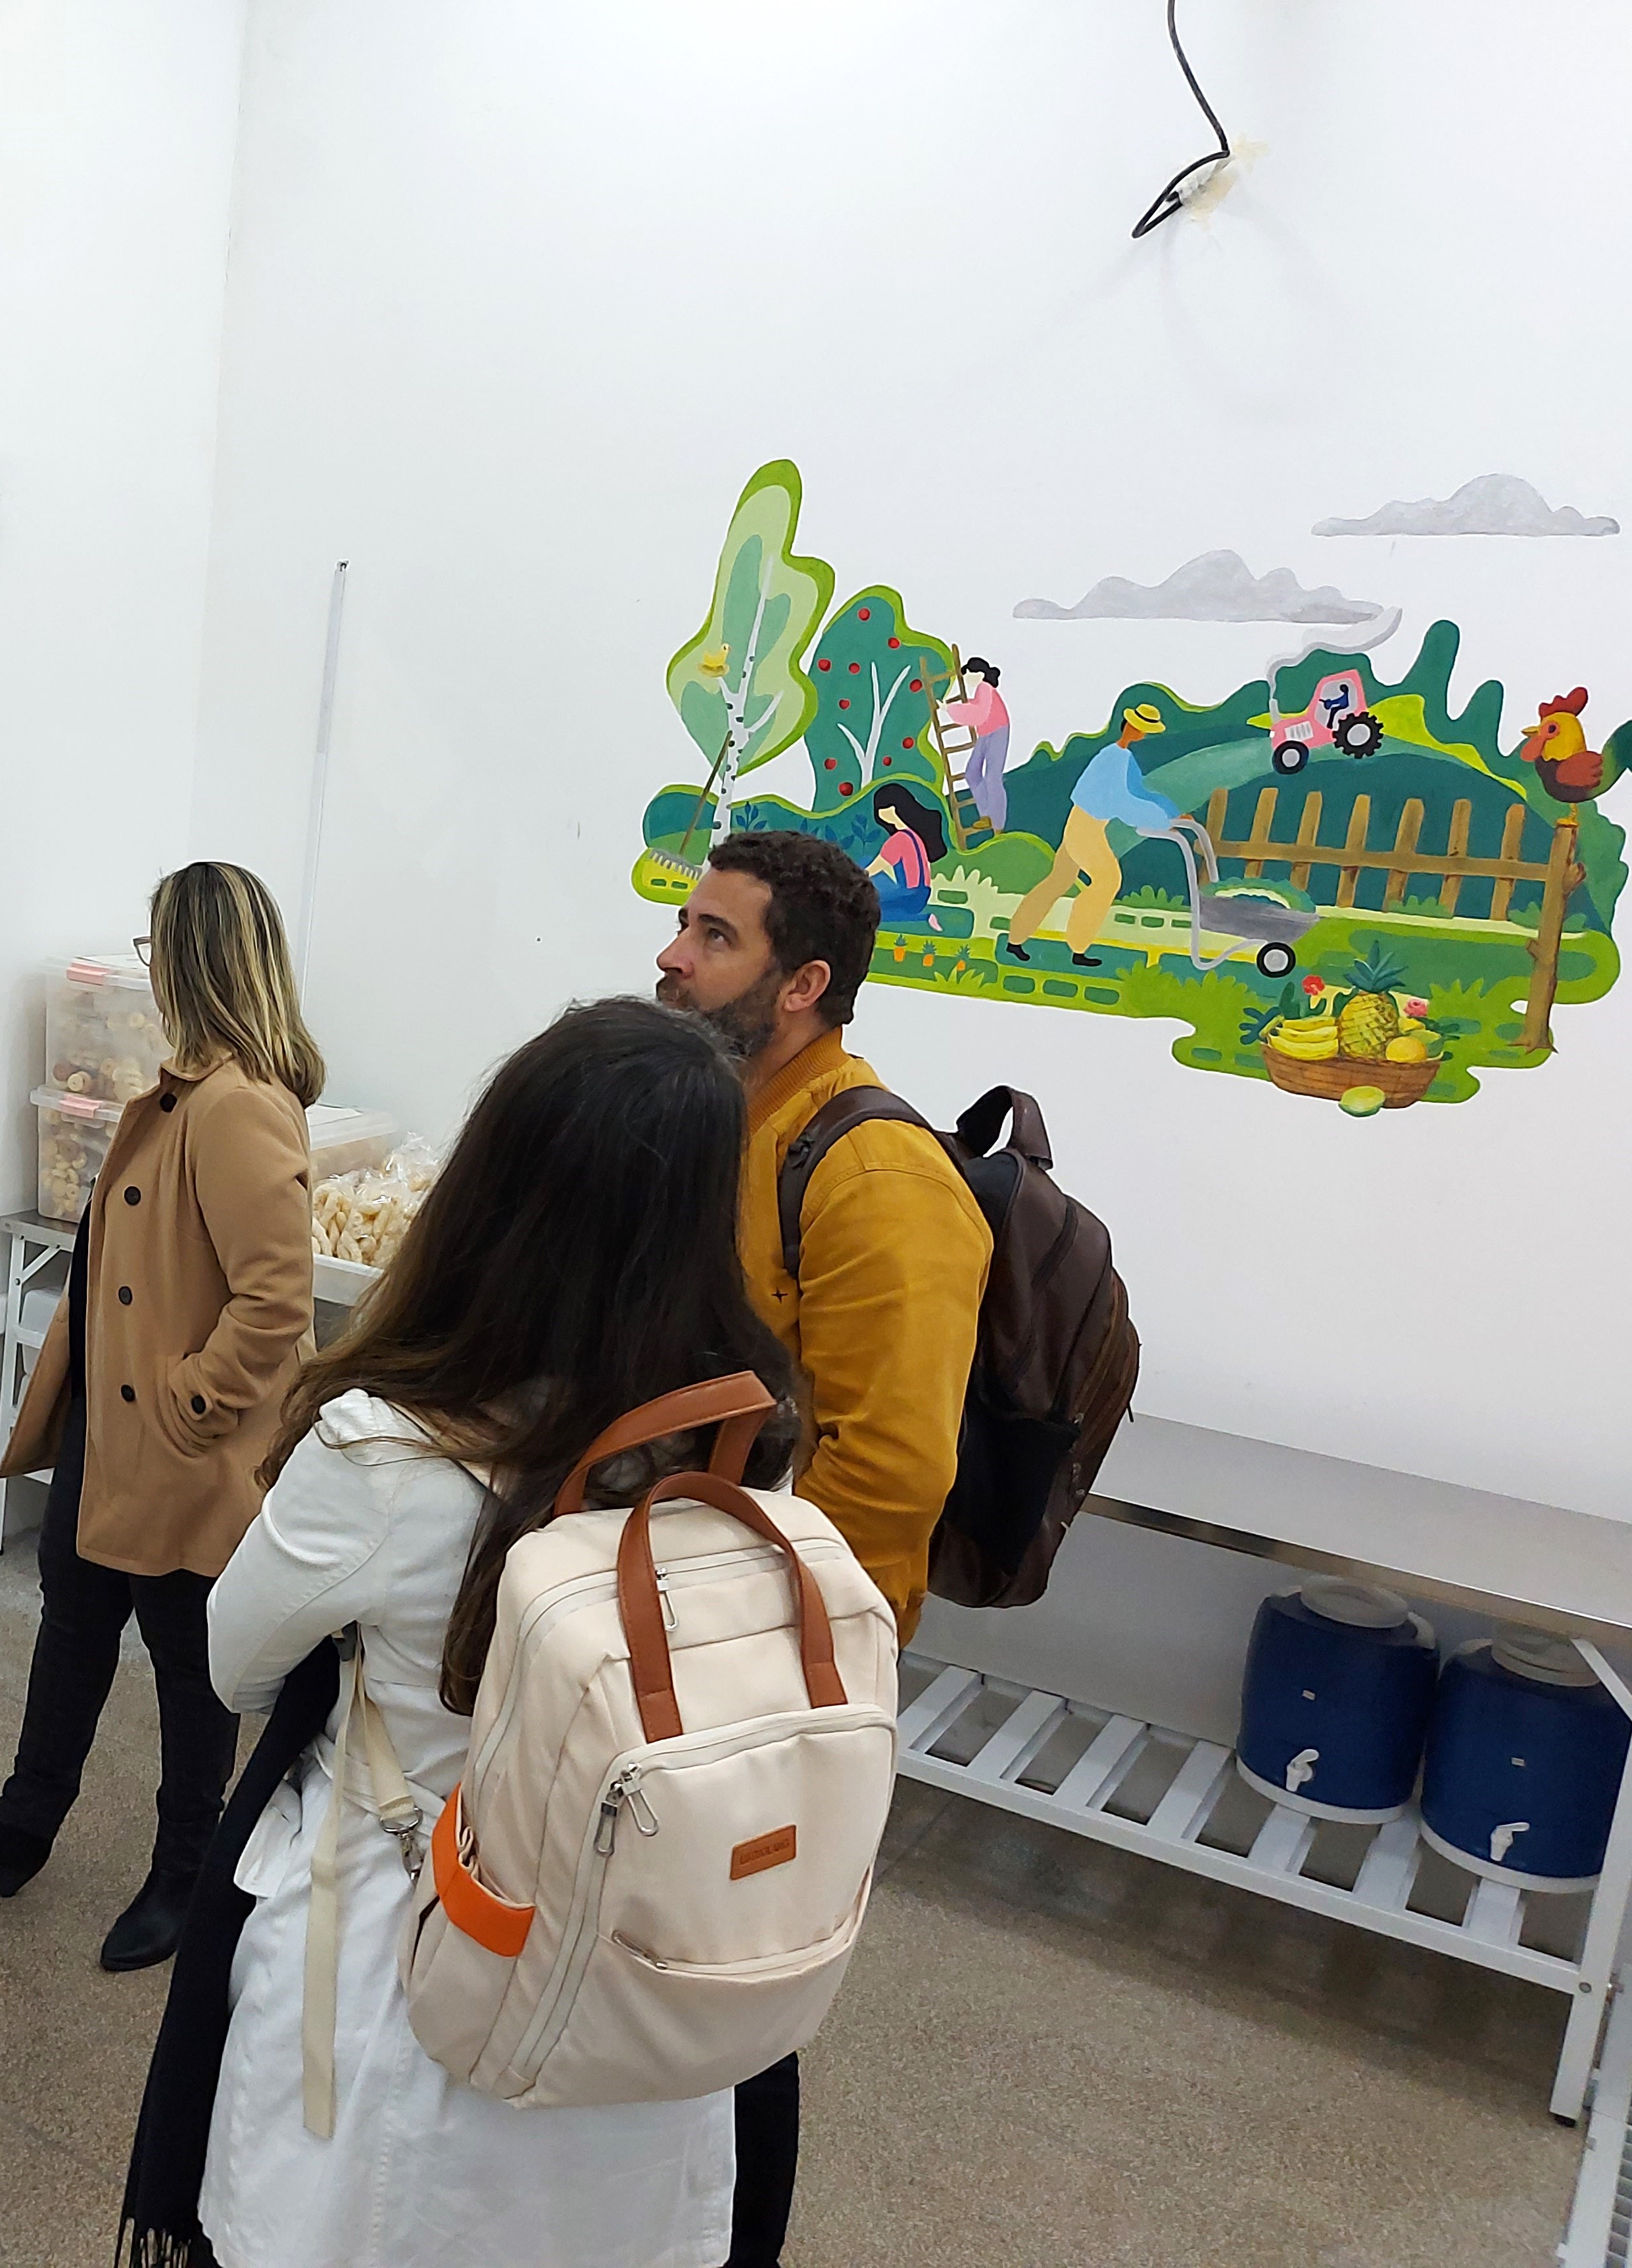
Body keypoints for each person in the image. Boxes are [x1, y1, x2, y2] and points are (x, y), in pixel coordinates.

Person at [117, 998, 794, 2268]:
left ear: (491, 1189)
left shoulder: (387, 1446)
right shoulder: (742, 1445)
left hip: (412, 1945)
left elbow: (234, 1661)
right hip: (643, 1962)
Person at [654, 827, 990, 2268]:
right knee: (657, 1963)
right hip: (671, 1620)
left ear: (800, 984)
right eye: (682, 923)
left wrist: (760, 1654)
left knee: (739, 1986)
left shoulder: (871, 1170)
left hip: (775, 1661)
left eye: (711, 936)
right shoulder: (722, 1119)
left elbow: (892, 1468)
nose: (670, 954)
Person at [0, 862, 321, 1972]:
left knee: (187, 1660)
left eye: (154, 946)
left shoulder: (237, 1104)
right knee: (74, 1619)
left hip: (177, 1440)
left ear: (190, 956)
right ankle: (24, 1817)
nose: (150, 969)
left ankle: (186, 1873)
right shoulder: (189, 1091)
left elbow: (276, 1299)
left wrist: (192, 1399)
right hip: (111, 1425)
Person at [1002, 702, 1182, 967]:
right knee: (1108, 880)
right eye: (1140, 728)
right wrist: (1161, 821)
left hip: (1083, 823)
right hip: (1086, 826)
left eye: (1144, 730)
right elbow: (1121, 801)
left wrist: (1172, 811)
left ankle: (1016, 939)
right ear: (1129, 727)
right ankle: (1077, 947)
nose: (1141, 734)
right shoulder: (1112, 758)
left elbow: (1140, 791)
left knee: (1059, 880)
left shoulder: (1124, 758)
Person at [865, 782, 946, 928]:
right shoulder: (916, 836)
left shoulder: (899, 840)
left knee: (868, 909)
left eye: (881, 807)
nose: (879, 811)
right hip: (922, 894)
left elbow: (873, 869)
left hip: (909, 897)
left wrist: (851, 881)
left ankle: (924, 919)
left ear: (893, 808)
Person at [946, 654, 1011, 832]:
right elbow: (976, 709)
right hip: (986, 733)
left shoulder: (985, 687)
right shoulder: (981, 690)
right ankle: (987, 815)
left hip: (998, 731)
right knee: (972, 773)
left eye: (968, 675)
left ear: (979, 674)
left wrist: (950, 709)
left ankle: (998, 824)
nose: (967, 679)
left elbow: (979, 714)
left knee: (993, 778)